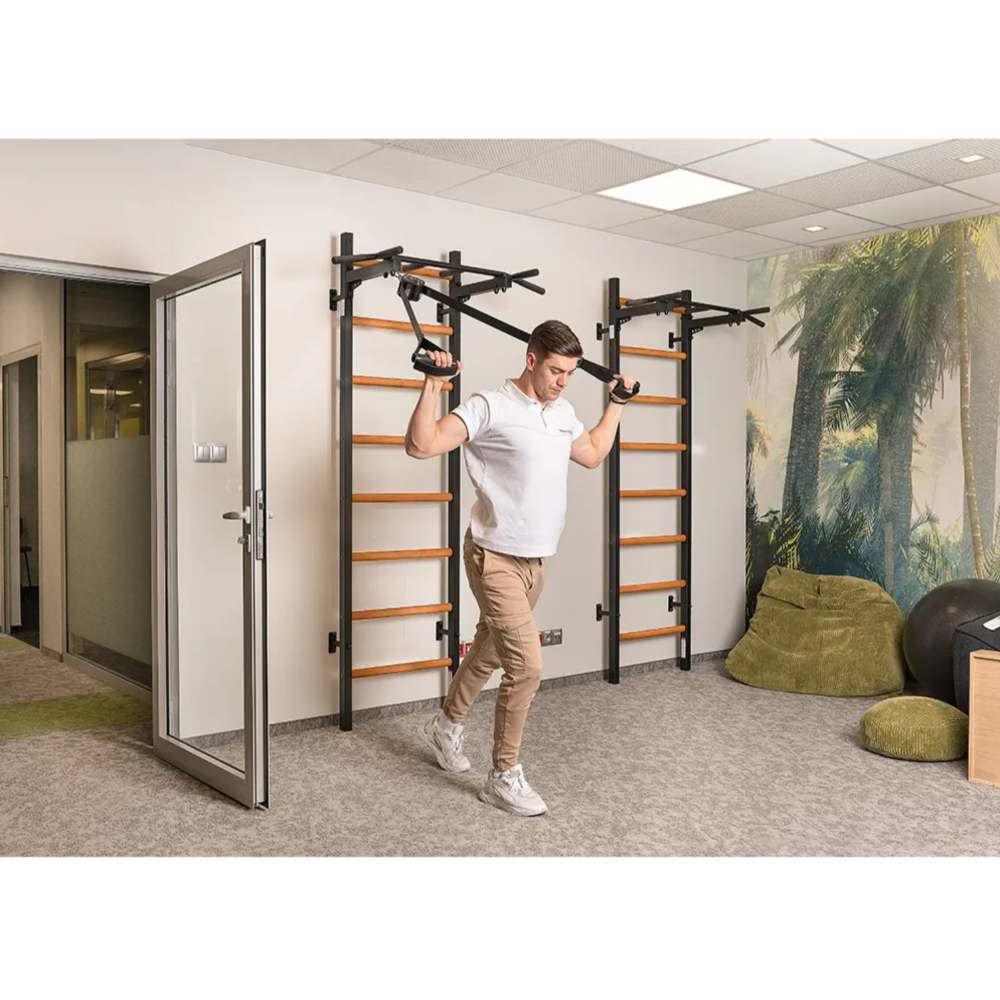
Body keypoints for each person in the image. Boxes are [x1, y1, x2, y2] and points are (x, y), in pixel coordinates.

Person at [404, 319, 636, 817]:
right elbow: (422, 445)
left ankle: (445, 726)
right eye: (556, 370)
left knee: (488, 651)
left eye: (571, 373)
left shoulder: (563, 412)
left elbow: (593, 454)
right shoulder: (492, 407)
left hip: (537, 561)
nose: (562, 381)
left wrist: (615, 405)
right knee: (527, 666)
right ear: (531, 359)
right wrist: (431, 384)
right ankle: (503, 776)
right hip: (494, 557)